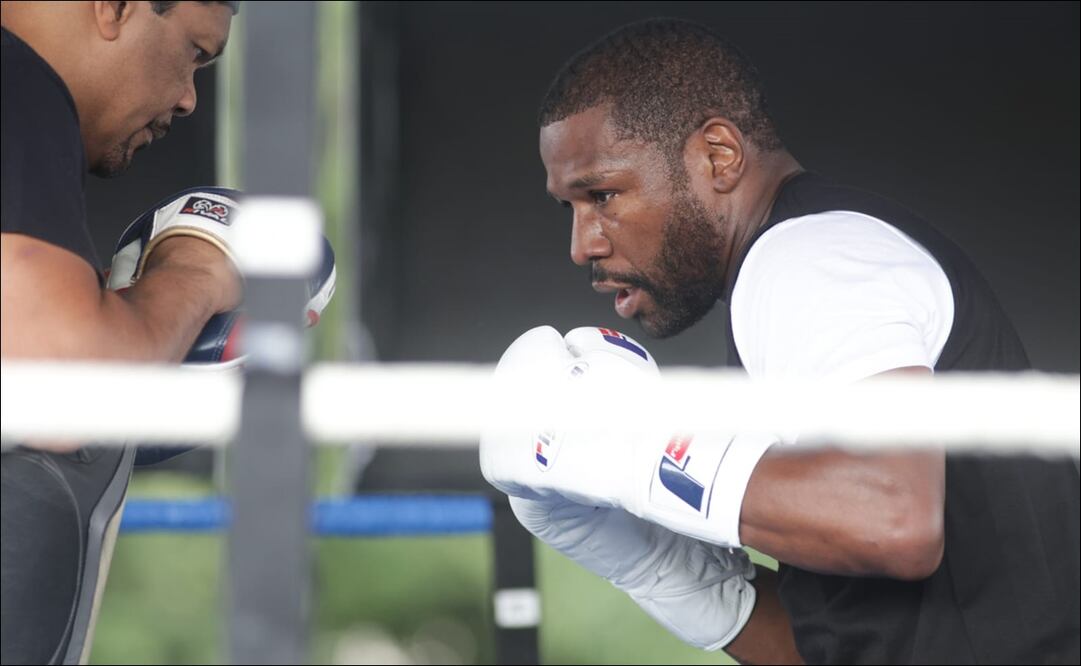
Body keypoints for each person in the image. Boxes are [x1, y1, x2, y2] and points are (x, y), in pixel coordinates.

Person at [480, 17, 1080, 664]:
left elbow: (892, 521)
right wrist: (668, 570)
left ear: (718, 156)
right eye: (568, 208)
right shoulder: (784, 283)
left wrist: (632, 454)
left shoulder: (807, 260)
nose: (582, 245)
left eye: (601, 194)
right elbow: (855, 643)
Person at [1, 2, 239, 663]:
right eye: (195, 51)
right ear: (115, 6)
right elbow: (63, 389)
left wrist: (130, 329)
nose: (190, 99)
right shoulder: (17, 82)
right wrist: (193, 274)